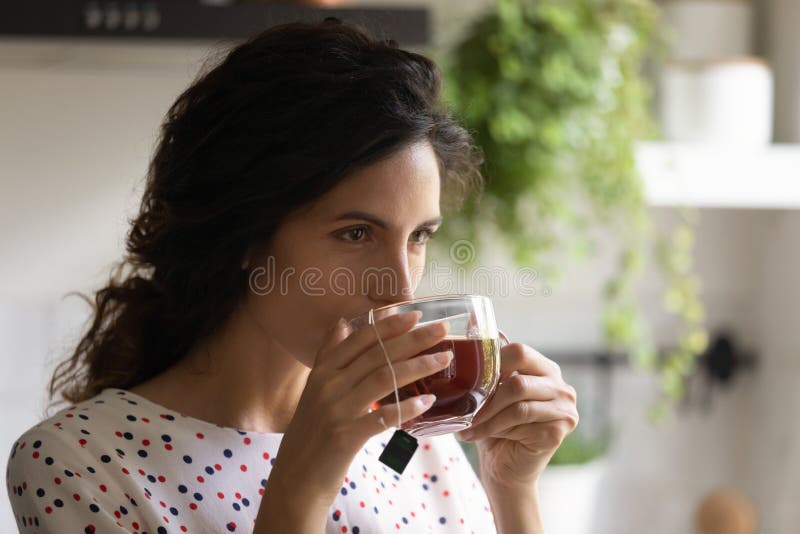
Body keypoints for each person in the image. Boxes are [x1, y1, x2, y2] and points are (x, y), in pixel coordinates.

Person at [6, 18, 579, 534]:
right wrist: (302, 482)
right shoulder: (77, 462)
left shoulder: (412, 436)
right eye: (356, 234)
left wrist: (511, 488)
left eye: (419, 236)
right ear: (246, 237)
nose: (401, 291)